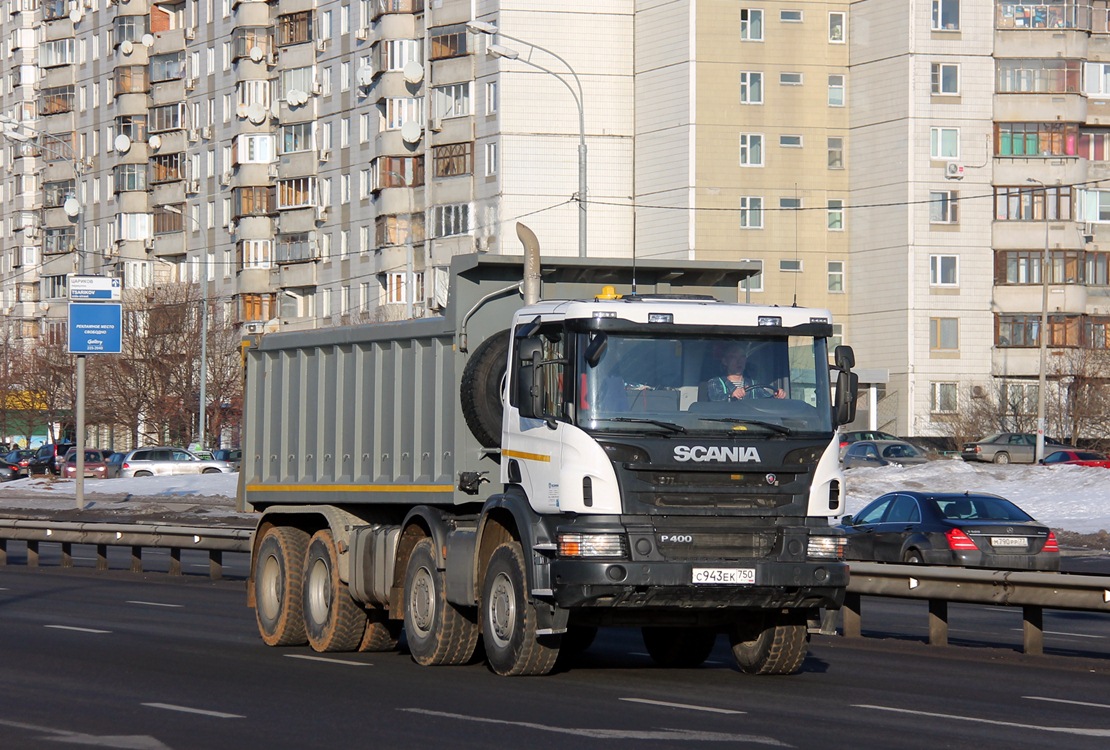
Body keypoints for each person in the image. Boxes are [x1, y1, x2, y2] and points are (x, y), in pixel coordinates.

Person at [705, 342, 786, 401]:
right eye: (733, 357)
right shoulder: (715, 382)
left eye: (742, 357)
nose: (739, 361)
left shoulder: (754, 385)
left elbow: (767, 400)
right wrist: (731, 396)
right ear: (725, 361)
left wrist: (777, 396)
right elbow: (715, 399)